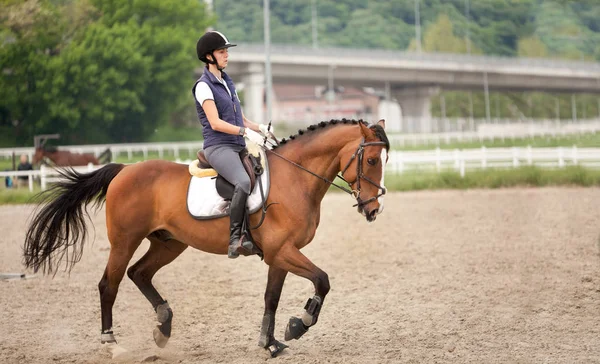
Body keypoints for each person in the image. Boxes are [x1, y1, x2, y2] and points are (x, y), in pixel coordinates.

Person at [192, 30, 273, 259]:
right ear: (209, 57)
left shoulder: (227, 82)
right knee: (243, 180)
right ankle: (235, 238)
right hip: (219, 147)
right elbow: (216, 123)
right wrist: (245, 131)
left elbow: (242, 119)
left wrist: (260, 128)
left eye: (226, 51)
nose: (226, 55)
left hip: (237, 145)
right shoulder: (204, 86)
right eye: (222, 51)